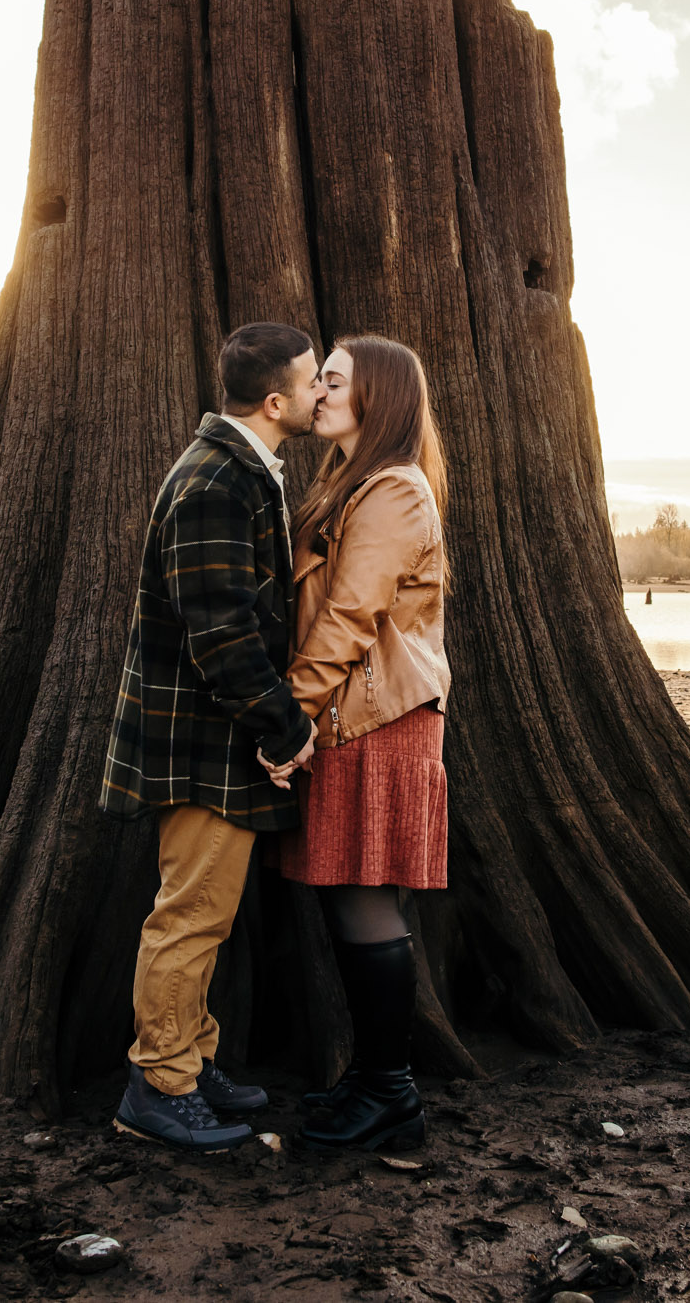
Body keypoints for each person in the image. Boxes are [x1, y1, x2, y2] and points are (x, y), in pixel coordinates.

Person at [102, 321, 320, 1153]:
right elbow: (220, 633)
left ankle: (192, 1059)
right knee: (190, 914)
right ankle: (158, 1084)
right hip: (199, 742)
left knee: (209, 913)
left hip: (212, 737)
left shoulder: (242, 469)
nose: (319, 394)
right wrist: (284, 725)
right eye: (310, 383)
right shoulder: (215, 483)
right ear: (275, 401)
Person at [261, 333, 451, 1152]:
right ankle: (375, 1082)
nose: (321, 391)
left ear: (378, 395)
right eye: (321, 380)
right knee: (348, 894)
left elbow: (349, 617)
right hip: (345, 717)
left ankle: (392, 1094)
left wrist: (288, 717)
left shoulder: (396, 490)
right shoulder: (350, 482)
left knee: (366, 894)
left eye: (336, 380)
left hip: (377, 720)